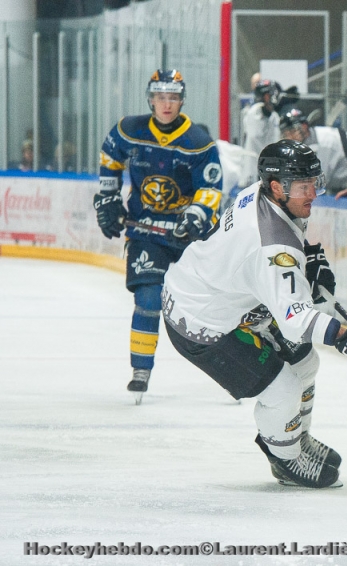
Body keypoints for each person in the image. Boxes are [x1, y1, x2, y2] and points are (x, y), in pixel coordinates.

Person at [161, 140, 347, 488]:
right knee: (283, 388)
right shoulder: (273, 248)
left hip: (213, 295)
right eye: (305, 186)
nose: (314, 193)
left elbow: (274, 264)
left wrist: (308, 262)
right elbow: (295, 319)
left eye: (314, 183)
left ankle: (294, 438)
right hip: (200, 323)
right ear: (277, 186)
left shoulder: (260, 193)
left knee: (305, 363)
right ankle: (285, 459)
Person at [92, 69, 223, 402]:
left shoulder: (198, 142)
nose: (167, 104)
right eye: (161, 97)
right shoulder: (129, 131)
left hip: (188, 236)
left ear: (182, 100)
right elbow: (110, 158)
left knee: (215, 305)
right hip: (146, 232)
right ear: (150, 99)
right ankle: (140, 370)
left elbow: (210, 188)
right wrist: (107, 196)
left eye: (174, 97)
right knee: (148, 298)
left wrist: (195, 215)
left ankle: (234, 369)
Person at [279, 108, 347, 195]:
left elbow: (318, 182)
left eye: (292, 131)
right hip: (342, 186)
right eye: (285, 133)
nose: (289, 137)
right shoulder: (304, 144)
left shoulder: (324, 142)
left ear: (305, 126)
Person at [242, 78, 282, 159]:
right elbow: (255, 134)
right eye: (269, 95)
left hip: (269, 162)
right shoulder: (254, 112)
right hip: (253, 163)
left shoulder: (274, 116)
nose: (274, 97)